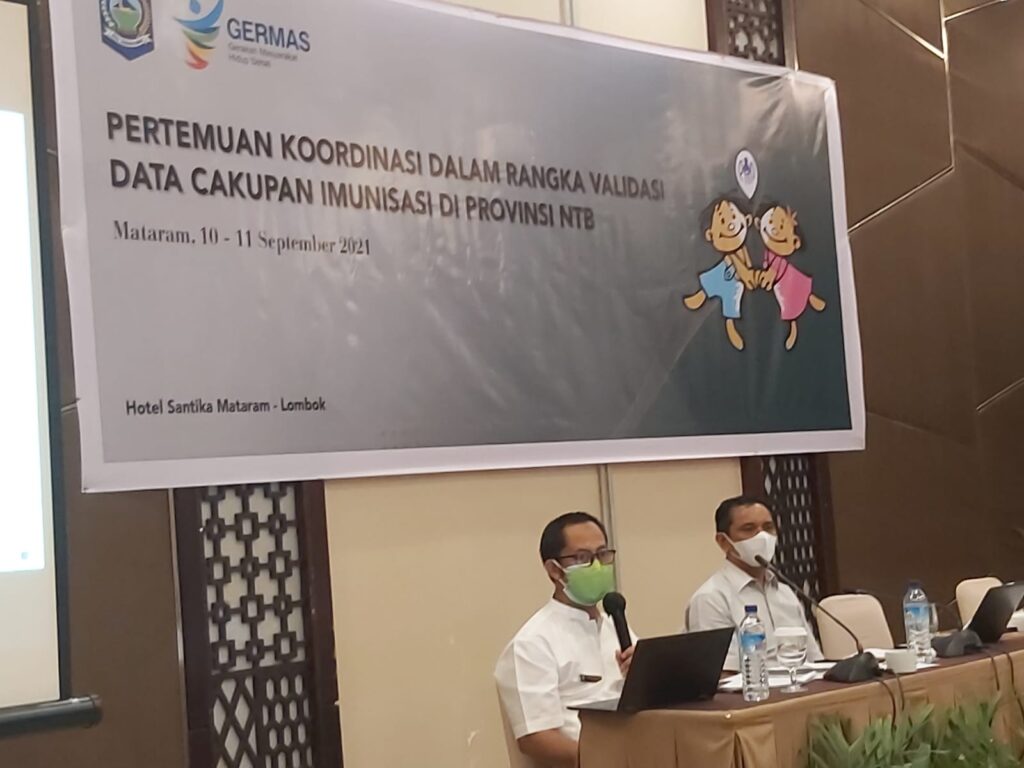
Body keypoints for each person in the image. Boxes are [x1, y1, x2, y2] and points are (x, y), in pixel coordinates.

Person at [495, 512, 634, 768]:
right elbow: (535, 738)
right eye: (582, 558)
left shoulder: (616, 627)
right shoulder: (532, 643)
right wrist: (607, 760)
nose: (597, 566)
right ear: (553, 570)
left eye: (602, 554)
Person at [686, 496, 823, 671]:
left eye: (768, 527)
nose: (762, 536)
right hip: (754, 686)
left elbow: (815, 660)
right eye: (749, 529)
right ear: (723, 542)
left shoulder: (785, 592)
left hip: (802, 684)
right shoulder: (711, 599)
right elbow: (722, 674)